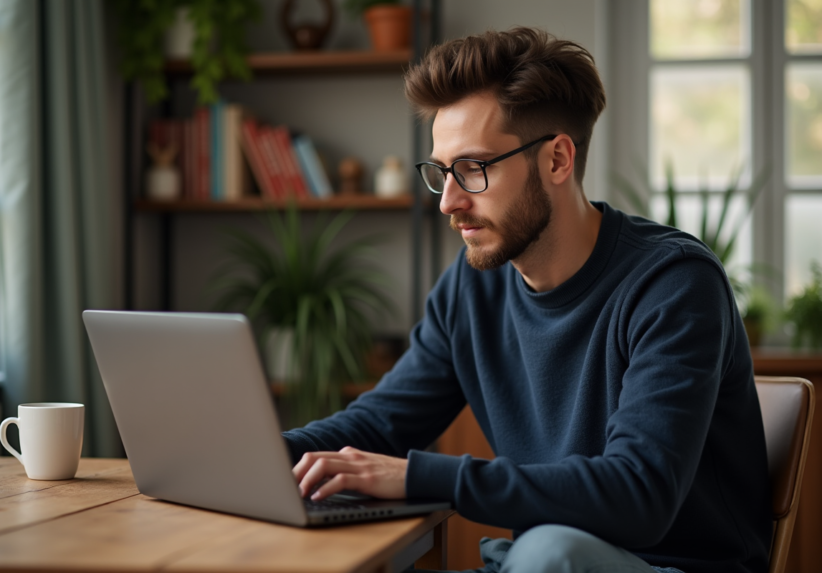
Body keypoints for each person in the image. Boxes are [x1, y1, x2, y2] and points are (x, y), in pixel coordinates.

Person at [283, 27, 771, 573]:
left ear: (558, 160)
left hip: (664, 566)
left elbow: (640, 494)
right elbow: (378, 426)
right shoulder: (471, 288)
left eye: (473, 168)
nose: (448, 201)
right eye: (441, 172)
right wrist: (255, 455)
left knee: (548, 551)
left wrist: (415, 475)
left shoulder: (674, 284)